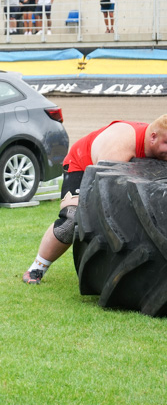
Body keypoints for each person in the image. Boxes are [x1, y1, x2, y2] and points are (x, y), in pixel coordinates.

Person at [22, 116, 167, 284]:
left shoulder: (158, 146)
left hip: (116, 172)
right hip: (83, 166)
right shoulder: (119, 146)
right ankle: (36, 268)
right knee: (71, 220)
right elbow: (106, 190)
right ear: (153, 137)